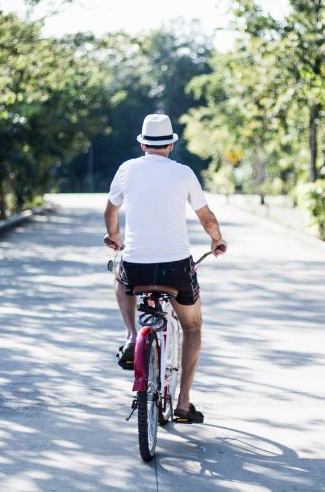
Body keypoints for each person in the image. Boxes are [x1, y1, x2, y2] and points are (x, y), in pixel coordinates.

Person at [103, 113, 226, 424]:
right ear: (170, 145)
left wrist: (115, 238)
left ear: (143, 144)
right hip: (176, 269)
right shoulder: (183, 173)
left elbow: (110, 210)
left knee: (121, 273)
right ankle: (183, 404)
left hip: (137, 267)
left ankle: (132, 335)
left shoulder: (126, 170)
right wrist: (217, 241)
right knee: (193, 328)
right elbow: (207, 217)